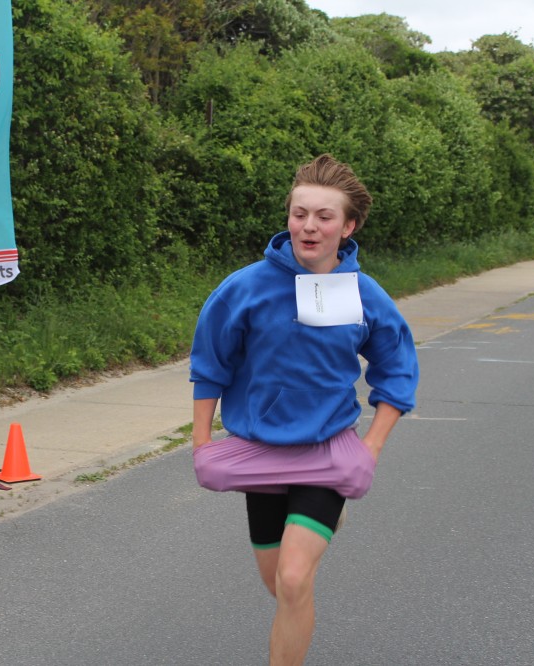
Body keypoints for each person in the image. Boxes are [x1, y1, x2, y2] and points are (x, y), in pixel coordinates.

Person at [189, 154, 419, 665]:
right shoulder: (245, 288)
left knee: (294, 578)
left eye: (324, 216)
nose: (309, 226)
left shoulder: (362, 294)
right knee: (281, 586)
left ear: (348, 226)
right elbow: (210, 362)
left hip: (328, 451)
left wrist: (371, 446)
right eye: (300, 213)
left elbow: (398, 366)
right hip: (261, 453)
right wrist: (202, 441)